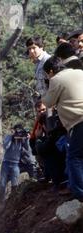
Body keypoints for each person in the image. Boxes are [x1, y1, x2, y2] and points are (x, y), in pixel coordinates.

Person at [42, 56, 83, 207]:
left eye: (47, 74)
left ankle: (80, 193)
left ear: (51, 71)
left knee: (75, 158)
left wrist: (47, 86)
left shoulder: (56, 79)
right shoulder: (79, 72)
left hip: (79, 121)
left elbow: (48, 102)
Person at [0, 124, 31, 200]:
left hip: (15, 164)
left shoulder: (22, 138)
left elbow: (27, 149)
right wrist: (11, 138)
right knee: (3, 183)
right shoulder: (9, 136)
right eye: (17, 131)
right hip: (6, 162)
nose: (18, 133)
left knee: (15, 184)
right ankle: (0, 200)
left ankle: (13, 201)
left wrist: (26, 139)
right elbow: (5, 146)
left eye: (20, 131)